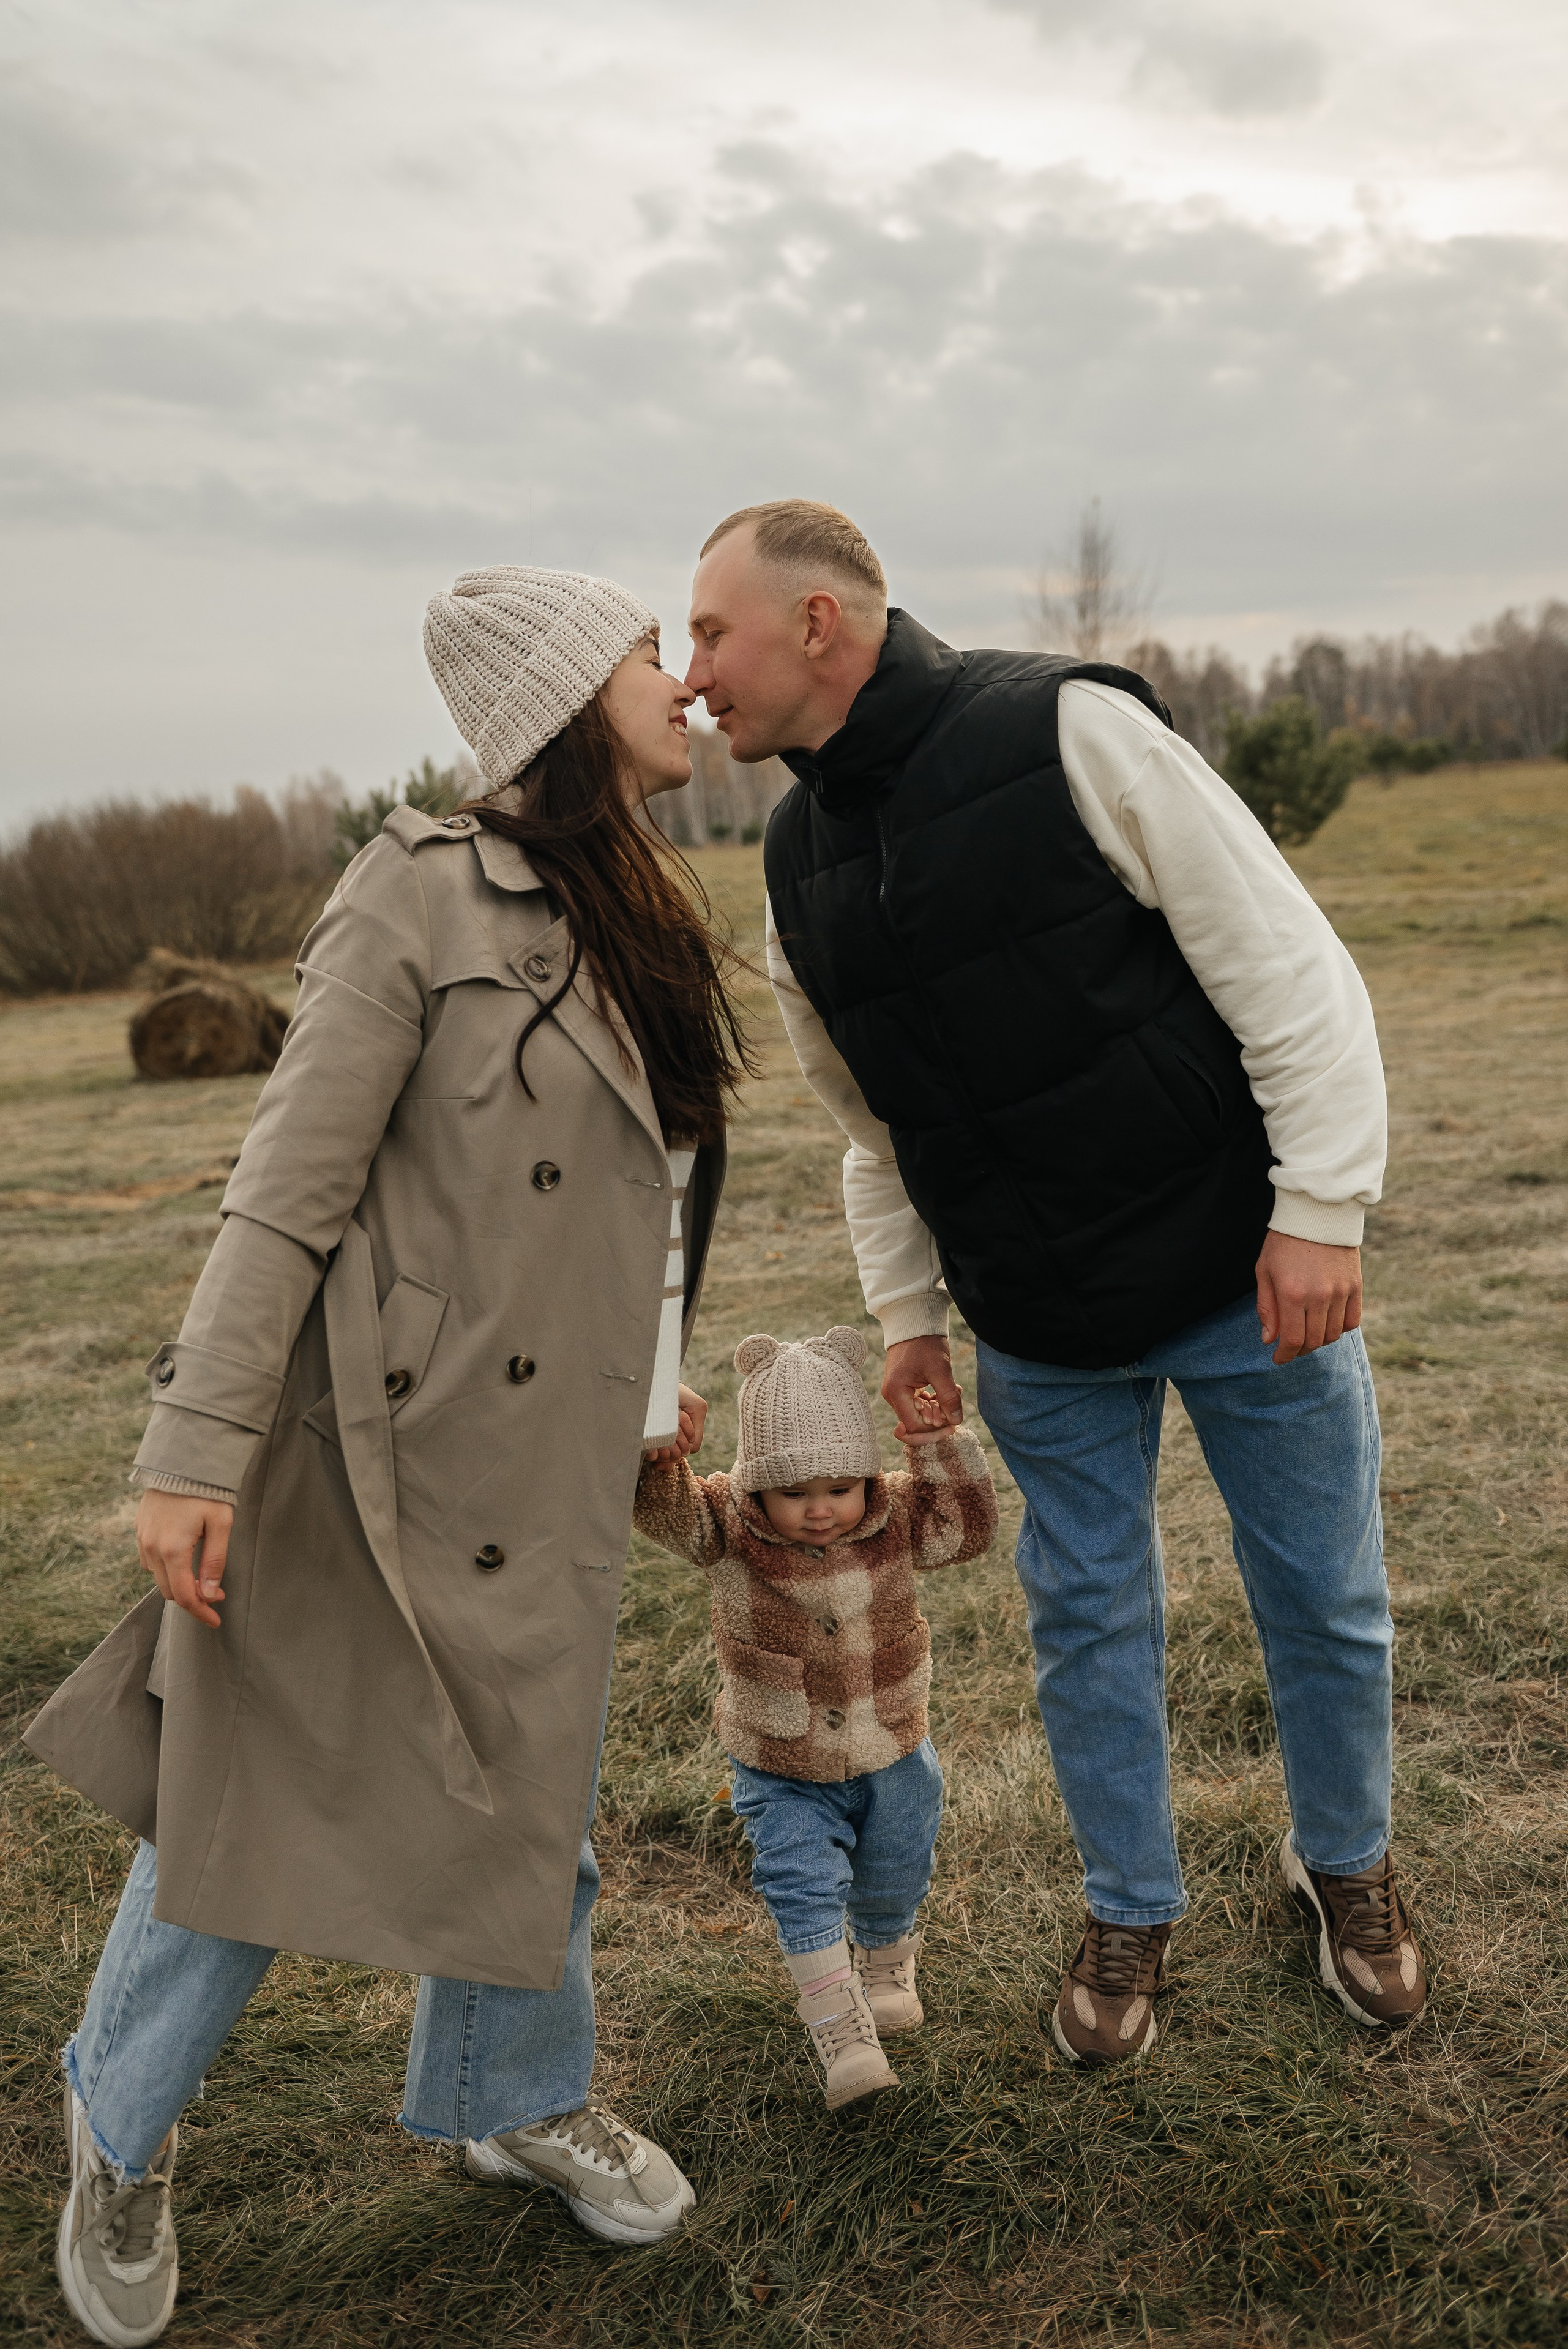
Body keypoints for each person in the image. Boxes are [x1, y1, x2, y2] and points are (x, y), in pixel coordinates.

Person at [29, 565, 753, 2348]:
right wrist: (192, 1448)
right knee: (251, 1813)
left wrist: (653, 1421)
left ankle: (513, 2095)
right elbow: (286, 1187)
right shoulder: (414, 889)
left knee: (535, 1805)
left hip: (552, 1462)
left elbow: (631, 1215)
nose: (681, 680)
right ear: (569, 694)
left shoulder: (635, 907)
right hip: (373, 1454)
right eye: (647, 652)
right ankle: (116, 2127)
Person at [682, 498, 1427, 2073]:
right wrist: (905, 1317)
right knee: (1087, 1621)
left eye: (710, 633)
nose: (693, 676)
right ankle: (1128, 1906)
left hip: (1245, 1272)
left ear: (818, 623)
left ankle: (1345, 1864)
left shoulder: (1073, 731)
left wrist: (1321, 1210)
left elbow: (1291, 969)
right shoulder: (795, 858)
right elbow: (870, 1126)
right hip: (1038, 1325)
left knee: (1324, 1591)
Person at [633, 1326, 997, 2109]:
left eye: (839, 1487)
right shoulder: (726, 1522)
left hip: (893, 1740)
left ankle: (885, 1956)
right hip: (779, 1756)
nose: (821, 1509)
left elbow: (966, 1531)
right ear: (757, 1488)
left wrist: (937, 1442)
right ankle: (840, 2027)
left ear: (868, 1474)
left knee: (897, 1859)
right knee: (800, 1881)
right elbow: (665, 1516)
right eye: (794, 1493)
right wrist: (657, 1454)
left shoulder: (896, 1512)